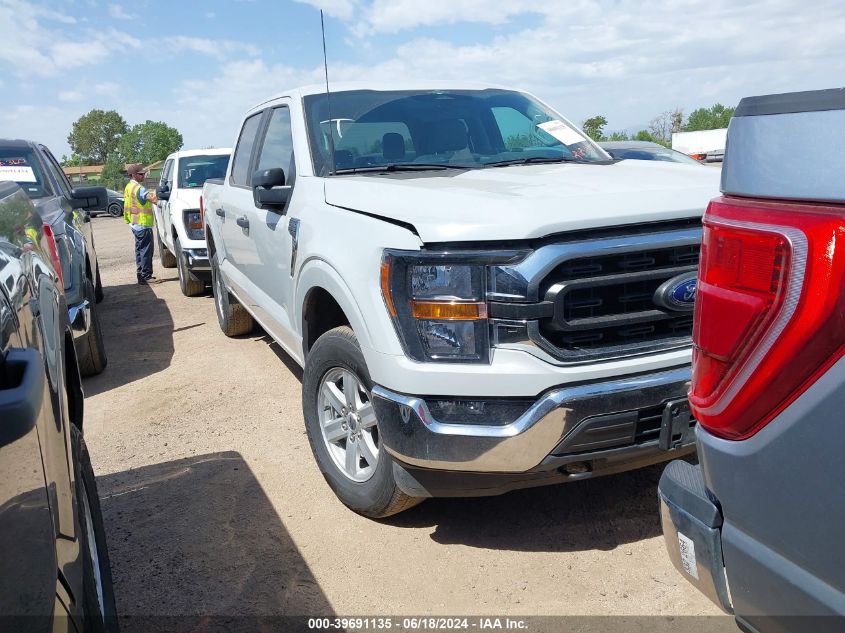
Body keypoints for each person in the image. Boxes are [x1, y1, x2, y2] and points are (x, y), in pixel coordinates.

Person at [123, 163, 158, 284]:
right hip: (143, 225)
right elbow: (153, 200)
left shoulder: (129, 187)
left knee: (139, 250)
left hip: (134, 224)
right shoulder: (140, 188)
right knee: (146, 251)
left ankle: (141, 275)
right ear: (133, 175)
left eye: (144, 173)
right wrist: (160, 196)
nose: (144, 175)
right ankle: (146, 276)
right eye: (141, 174)